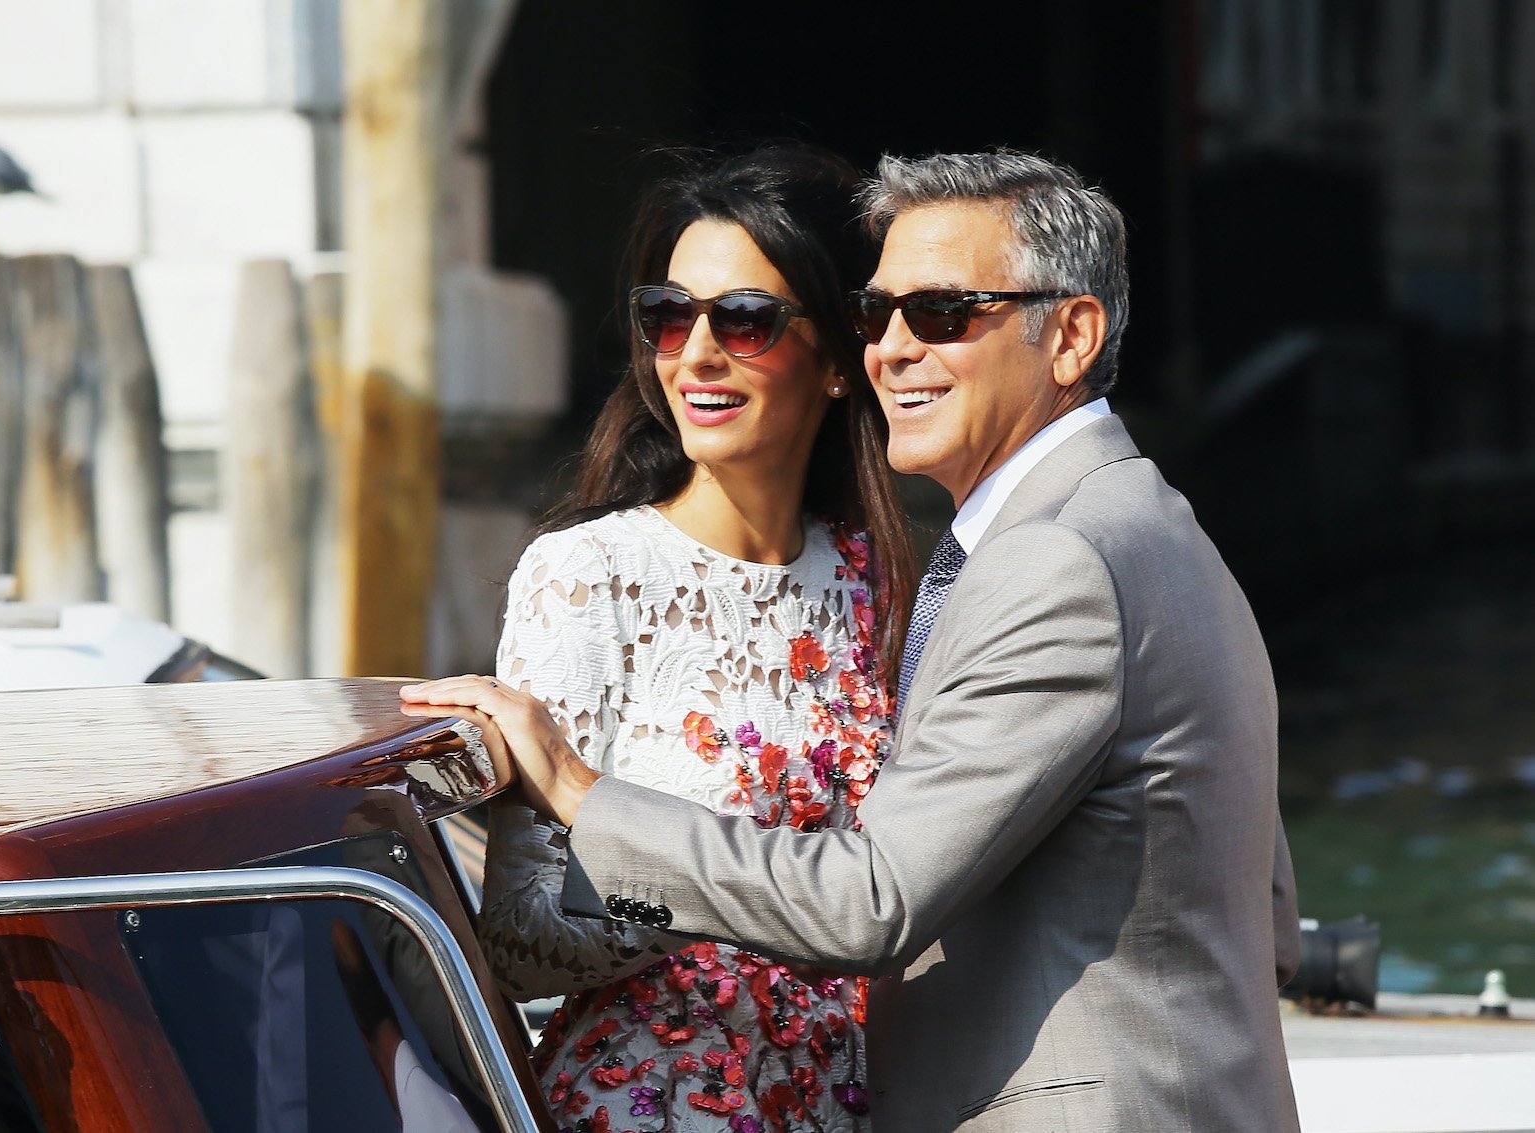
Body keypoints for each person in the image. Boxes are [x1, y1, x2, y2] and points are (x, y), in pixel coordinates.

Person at [407, 150, 1301, 1132]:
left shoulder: (1013, 564)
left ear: (1070, 335)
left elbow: (871, 900)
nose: (898, 346)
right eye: (881, 313)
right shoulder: (1140, 529)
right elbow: (1264, 909)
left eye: (944, 313)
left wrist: (590, 800)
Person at [465, 145, 916, 1133]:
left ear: (839, 358)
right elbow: (518, 941)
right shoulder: (588, 574)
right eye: (668, 315)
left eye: (745, 321)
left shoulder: (876, 578)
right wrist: (719, 878)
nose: (695, 352)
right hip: (653, 1109)